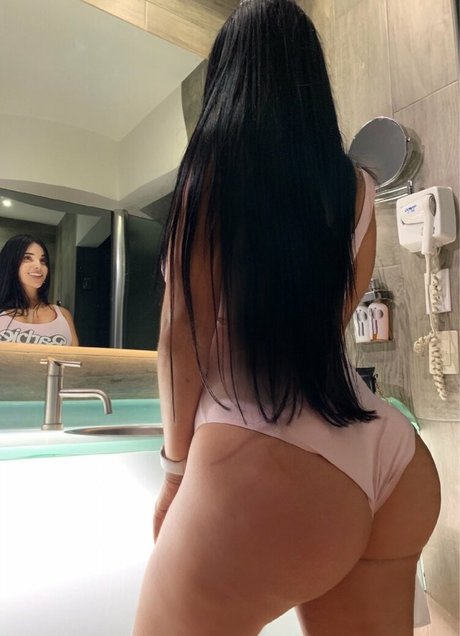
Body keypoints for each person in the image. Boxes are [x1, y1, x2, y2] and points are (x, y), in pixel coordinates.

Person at [133, 1, 441, 634]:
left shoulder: (209, 174)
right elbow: (333, 320)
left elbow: (179, 339)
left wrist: (175, 474)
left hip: (263, 453)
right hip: (389, 454)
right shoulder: (357, 188)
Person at [0, 234, 79, 346]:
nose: (38, 266)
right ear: (10, 262)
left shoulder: (63, 315)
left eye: (43, 260)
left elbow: (75, 356)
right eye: (27, 258)